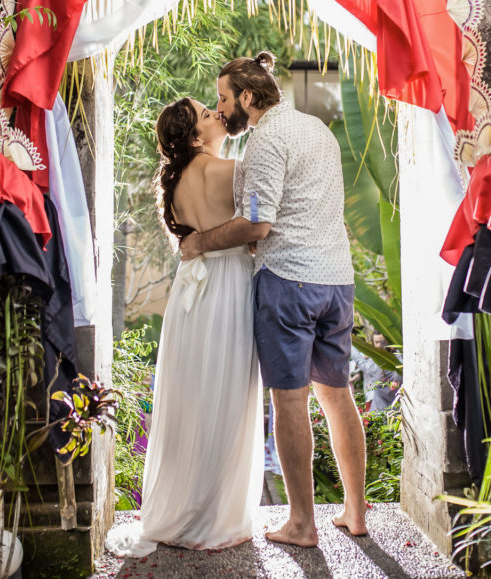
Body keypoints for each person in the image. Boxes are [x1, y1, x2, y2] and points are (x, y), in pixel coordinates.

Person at [181, 51, 368, 547]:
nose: (221, 110)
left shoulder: (265, 141)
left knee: (290, 401)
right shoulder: (316, 129)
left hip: (289, 283)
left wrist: (198, 242)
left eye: (224, 99)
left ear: (247, 97)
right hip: (337, 281)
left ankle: (302, 524)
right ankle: (355, 512)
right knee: (337, 396)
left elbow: (257, 225)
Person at [105, 97, 263, 556]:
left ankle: (186, 506)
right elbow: (260, 214)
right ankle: (216, 516)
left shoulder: (175, 184)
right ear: (195, 137)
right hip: (227, 286)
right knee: (227, 393)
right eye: (205, 113)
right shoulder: (225, 171)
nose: (216, 113)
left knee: (192, 395)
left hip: (190, 293)